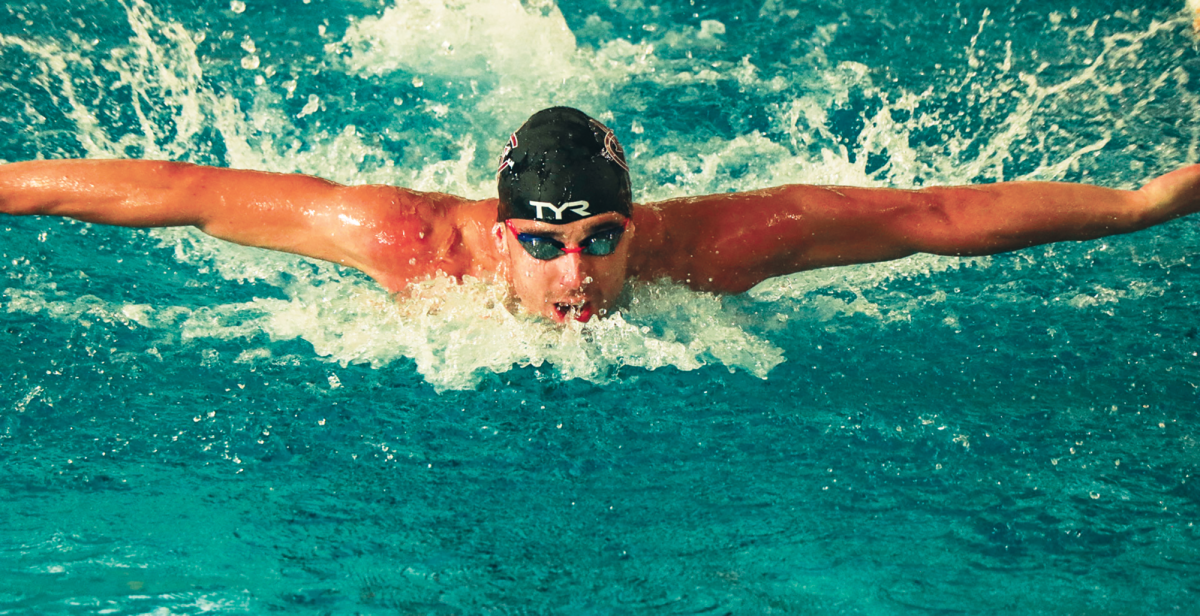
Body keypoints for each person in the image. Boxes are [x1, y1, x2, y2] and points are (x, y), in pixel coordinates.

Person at [2, 106, 1198, 323]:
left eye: (600, 241)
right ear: (497, 228)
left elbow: (930, 213)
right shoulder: (414, 246)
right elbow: (186, 195)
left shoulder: (714, 247)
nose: (576, 276)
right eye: (545, 245)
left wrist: (1154, 203)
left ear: (638, 224)